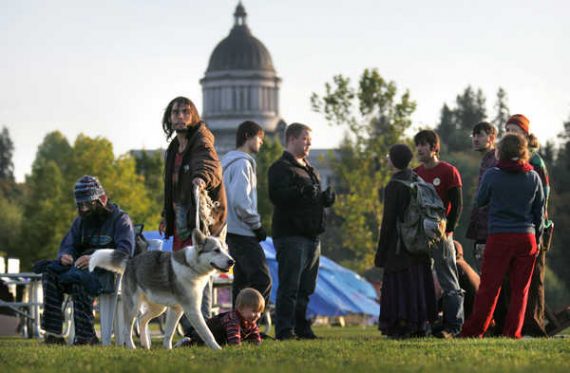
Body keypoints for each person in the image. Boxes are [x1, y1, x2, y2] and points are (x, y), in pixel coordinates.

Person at [460, 133, 544, 338]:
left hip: (499, 236)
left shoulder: (492, 174)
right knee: (520, 290)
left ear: (501, 151)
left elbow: (480, 201)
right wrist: (538, 238)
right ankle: (512, 332)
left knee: (490, 287)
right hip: (527, 238)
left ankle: (475, 330)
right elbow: (539, 212)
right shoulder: (533, 176)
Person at [41, 175, 135, 345]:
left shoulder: (121, 220)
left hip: (108, 275)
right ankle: (53, 334)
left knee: (80, 277)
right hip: (79, 270)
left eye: (88, 204)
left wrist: (94, 258)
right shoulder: (80, 222)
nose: (83, 209)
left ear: (102, 199)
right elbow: (68, 244)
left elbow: (124, 254)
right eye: (80, 205)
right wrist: (65, 256)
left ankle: (86, 337)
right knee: (49, 272)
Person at [159, 96, 227, 328]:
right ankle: (189, 330)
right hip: (180, 220)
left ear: (193, 116)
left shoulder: (202, 139)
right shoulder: (173, 148)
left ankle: (202, 329)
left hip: (200, 221)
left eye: (185, 112)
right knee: (182, 275)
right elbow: (173, 189)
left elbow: (210, 164)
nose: (180, 116)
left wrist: (201, 178)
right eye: (175, 112)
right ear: (169, 117)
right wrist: (165, 216)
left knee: (199, 274)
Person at [268, 123, 335, 340]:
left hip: (312, 235)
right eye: (305, 139)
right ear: (292, 139)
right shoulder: (280, 168)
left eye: (310, 140)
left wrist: (324, 199)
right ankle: (285, 329)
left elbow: (311, 199)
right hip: (291, 235)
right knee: (290, 285)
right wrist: (301, 191)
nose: (309, 144)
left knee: (307, 286)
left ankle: (301, 326)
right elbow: (277, 197)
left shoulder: (310, 169)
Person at [374, 144, 437, 338]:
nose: (386, 159)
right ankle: (419, 324)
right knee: (416, 283)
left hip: (399, 246)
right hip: (419, 243)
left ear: (393, 160)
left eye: (388, 156)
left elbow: (388, 222)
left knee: (399, 285)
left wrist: (381, 252)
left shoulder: (394, 185)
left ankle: (399, 324)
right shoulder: (417, 179)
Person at [414, 129, 465, 338]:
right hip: (421, 235)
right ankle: (425, 324)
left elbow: (458, 204)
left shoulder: (449, 171)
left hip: (442, 235)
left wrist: (448, 230)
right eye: (417, 145)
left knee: (449, 281)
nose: (419, 149)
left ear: (434, 147)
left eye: (423, 145)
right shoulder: (416, 173)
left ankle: (453, 327)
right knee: (422, 280)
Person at [505, 114, 551, 337]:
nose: (510, 134)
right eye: (507, 130)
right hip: (514, 227)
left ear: (524, 133)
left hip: (535, 228)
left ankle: (534, 326)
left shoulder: (534, 161)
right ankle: (516, 325)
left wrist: (538, 228)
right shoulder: (508, 160)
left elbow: (543, 197)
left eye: (514, 130)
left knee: (534, 280)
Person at [221, 121, 272, 306]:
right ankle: (250, 324)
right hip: (242, 232)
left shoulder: (227, 163)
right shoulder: (242, 164)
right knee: (262, 280)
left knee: (241, 284)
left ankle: (236, 328)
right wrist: (256, 225)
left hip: (230, 230)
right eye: (260, 138)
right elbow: (241, 202)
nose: (261, 143)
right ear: (247, 136)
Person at [175, 287, 264, 347]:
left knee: (218, 343)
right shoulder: (233, 319)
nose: (257, 315)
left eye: (260, 312)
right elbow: (234, 338)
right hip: (209, 331)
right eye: (254, 311)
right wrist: (236, 345)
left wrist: (257, 343)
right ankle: (187, 341)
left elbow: (254, 333)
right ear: (240, 308)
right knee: (198, 342)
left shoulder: (250, 321)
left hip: (220, 339)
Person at [466, 122, 498, 273]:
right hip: (484, 231)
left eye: (480, 135)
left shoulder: (496, 161)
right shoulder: (486, 160)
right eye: (474, 135)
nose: (475, 139)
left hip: (490, 232)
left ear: (491, 138)